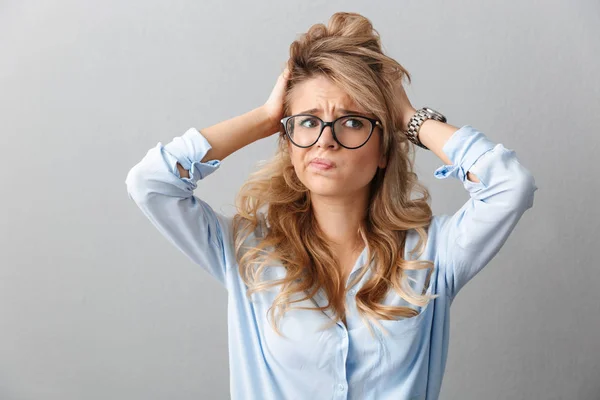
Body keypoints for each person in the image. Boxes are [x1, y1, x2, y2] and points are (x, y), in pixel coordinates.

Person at [125, 11, 537, 400]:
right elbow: (151, 183)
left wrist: (408, 116)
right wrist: (268, 116)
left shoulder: (432, 255)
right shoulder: (246, 251)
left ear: (383, 152)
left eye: (353, 121)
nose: (326, 139)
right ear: (288, 143)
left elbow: (509, 185)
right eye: (307, 121)